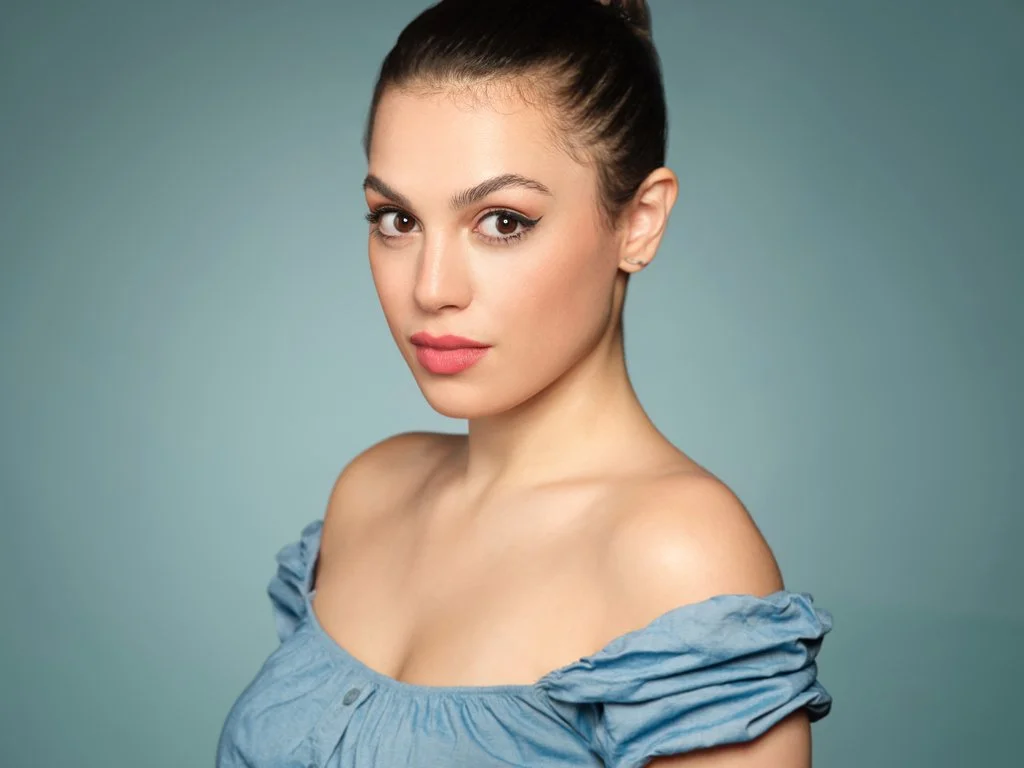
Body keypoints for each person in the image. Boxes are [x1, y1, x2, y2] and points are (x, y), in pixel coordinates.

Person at [217, 0, 832, 765]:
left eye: (503, 221)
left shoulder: (677, 555)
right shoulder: (371, 492)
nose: (432, 287)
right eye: (397, 220)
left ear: (639, 221)